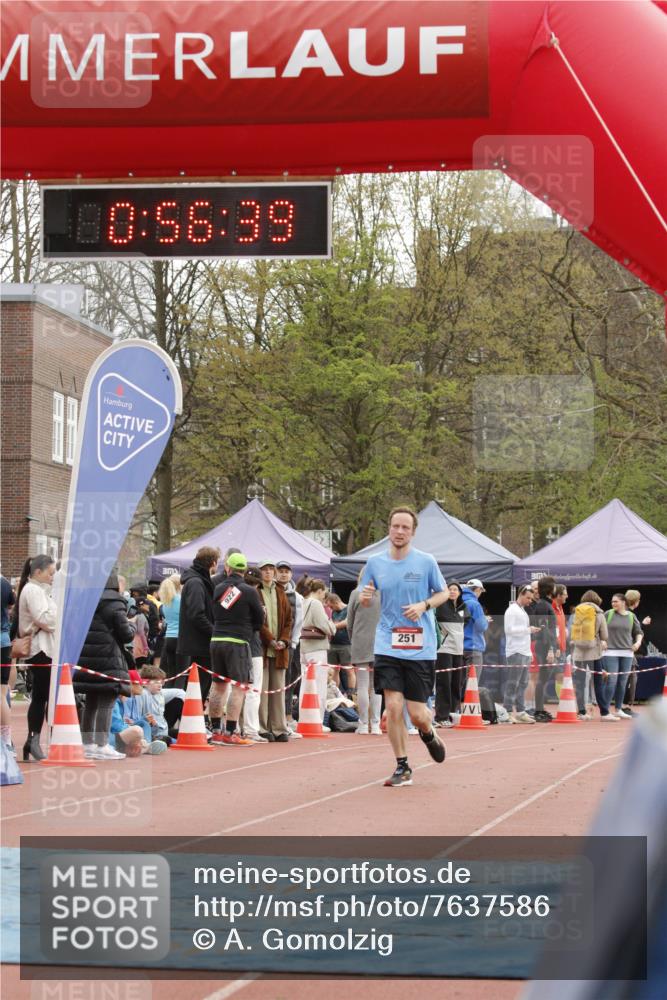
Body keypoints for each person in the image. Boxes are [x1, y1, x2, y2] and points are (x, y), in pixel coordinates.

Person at [360, 506, 448, 787]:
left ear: (413, 532)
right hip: (388, 642)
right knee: (394, 707)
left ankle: (428, 732)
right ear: (389, 528)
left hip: (421, 645)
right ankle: (403, 766)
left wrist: (424, 605)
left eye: (405, 528)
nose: (399, 532)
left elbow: (443, 592)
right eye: (395, 526)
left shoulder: (426, 561)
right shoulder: (375, 562)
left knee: (418, 714)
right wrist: (365, 597)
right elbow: (365, 596)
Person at [73, 571, 135, 760]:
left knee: (91, 701)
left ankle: (88, 743)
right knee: (107, 701)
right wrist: (132, 626)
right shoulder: (115, 603)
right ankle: (102, 744)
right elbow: (126, 634)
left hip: (87, 657)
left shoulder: (86, 600)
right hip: (109, 657)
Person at [208, 552, 264, 746]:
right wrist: (249, 630)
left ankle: (215, 730)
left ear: (228, 568)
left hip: (217, 639)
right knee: (239, 687)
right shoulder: (249, 591)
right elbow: (259, 619)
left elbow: (217, 612)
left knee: (218, 685)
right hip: (238, 642)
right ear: (244, 570)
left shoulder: (219, 588)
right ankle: (231, 732)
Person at [17, 554, 57, 761]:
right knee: (43, 696)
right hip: (40, 649)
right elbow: (45, 620)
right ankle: (36, 740)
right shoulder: (33, 590)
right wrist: (55, 614)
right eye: (50, 573)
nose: (53, 577)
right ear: (38, 572)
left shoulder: (38, 590)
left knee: (42, 696)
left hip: (43, 649)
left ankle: (33, 741)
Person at [177, 546, 220, 711]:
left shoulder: (197, 581)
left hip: (198, 643)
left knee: (198, 687)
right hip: (198, 645)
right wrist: (214, 632)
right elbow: (197, 614)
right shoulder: (196, 582)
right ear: (213, 563)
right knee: (197, 688)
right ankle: (189, 723)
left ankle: (194, 722)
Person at [258, 559, 293, 741]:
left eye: (271, 569)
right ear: (260, 572)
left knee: (278, 690)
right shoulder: (256, 591)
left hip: (280, 650)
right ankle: (263, 728)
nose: (268, 572)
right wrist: (270, 640)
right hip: (263, 649)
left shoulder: (281, 592)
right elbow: (258, 621)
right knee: (263, 690)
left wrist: (284, 640)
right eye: (265, 569)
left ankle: (279, 728)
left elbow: (288, 620)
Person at [347, 568, 382, 735]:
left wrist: (353, 638)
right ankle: (375, 724)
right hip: (381, 644)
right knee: (376, 686)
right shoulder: (383, 594)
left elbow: (350, 622)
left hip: (360, 641)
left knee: (362, 685)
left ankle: (362, 724)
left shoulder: (356, 593)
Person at [299, 579, 337, 726]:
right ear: (320, 590)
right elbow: (326, 626)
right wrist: (332, 627)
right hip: (317, 648)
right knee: (319, 686)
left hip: (304, 647)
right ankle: (318, 720)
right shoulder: (316, 604)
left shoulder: (304, 601)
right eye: (324, 594)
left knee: (305, 685)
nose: (324, 597)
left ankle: (304, 718)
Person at [503, 584, 542, 723]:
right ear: (521, 594)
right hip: (515, 651)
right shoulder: (512, 610)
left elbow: (523, 632)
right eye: (528, 598)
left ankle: (520, 711)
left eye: (531, 598)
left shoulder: (522, 610)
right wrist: (528, 630)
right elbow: (508, 630)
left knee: (523, 683)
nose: (530, 601)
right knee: (513, 682)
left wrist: (529, 652)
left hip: (523, 651)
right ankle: (507, 711)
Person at [570, 590, 610, 720]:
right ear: (597, 600)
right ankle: (604, 712)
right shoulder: (599, 613)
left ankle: (581, 712)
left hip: (578, 653)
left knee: (580, 683)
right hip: (594, 653)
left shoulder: (576, 613)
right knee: (598, 682)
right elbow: (605, 635)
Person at [434, 582, 469, 727]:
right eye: (450, 589)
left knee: (457, 683)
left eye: (456, 589)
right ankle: (441, 716)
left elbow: (464, 624)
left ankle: (454, 713)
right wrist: (443, 635)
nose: (453, 592)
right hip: (444, 650)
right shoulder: (440, 606)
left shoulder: (463, 607)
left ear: (460, 592)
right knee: (444, 683)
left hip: (458, 651)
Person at [603, 593, 643, 719]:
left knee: (622, 682)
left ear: (623, 603)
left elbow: (639, 632)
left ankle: (619, 709)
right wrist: (602, 640)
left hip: (627, 653)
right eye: (612, 601)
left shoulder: (631, 616)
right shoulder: (608, 614)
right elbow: (598, 629)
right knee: (612, 681)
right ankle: (605, 710)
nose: (613, 604)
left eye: (616, 601)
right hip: (610, 652)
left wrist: (637, 643)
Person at [276, 560, 304, 730]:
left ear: (291, 574)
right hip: (270, 644)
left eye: (287, 571)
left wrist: (293, 642)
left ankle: (287, 716)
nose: (284, 574)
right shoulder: (269, 591)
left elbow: (299, 621)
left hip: (289, 646)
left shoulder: (297, 597)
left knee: (288, 681)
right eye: (281, 571)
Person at [530, 576, 558, 722]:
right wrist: (551, 649)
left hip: (546, 645)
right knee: (542, 678)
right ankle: (538, 710)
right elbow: (545, 629)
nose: (555, 589)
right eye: (554, 586)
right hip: (544, 646)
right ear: (549, 588)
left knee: (544, 678)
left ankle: (540, 709)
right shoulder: (543, 605)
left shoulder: (546, 604)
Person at [623, 589, 651, 715]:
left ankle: (621, 706)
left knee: (625, 678)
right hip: (627, 652)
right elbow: (636, 633)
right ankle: (625, 706)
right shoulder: (629, 615)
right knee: (630, 678)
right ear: (636, 601)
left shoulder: (621, 614)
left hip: (621, 651)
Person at [461, 580, 489, 685]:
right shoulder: (475, 604)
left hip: (459, 647)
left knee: (461, 683)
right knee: (472, 684)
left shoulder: (458, 602)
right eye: (481, 592)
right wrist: (485, 620)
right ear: (478, 590)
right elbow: (481, 626)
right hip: (473, 648)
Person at [158, 574, 183, 685]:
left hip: (169, 638)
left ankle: (168, 699)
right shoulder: (181, 600)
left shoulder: (165, 602)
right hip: (181, 639)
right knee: (181, 674)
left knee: (171, 674)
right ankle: (178, 700)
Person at [326, 591, 353, 689]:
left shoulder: (349, 609)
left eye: (331, 606)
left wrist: (332, 626)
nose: (331, 609)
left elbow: (346, 622)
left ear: (336, 602)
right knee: (334, 670)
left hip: (346, 644)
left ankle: (351, 694)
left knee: (349, 670)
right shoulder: (333, 612)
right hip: (333, 644)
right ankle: (335, 692)